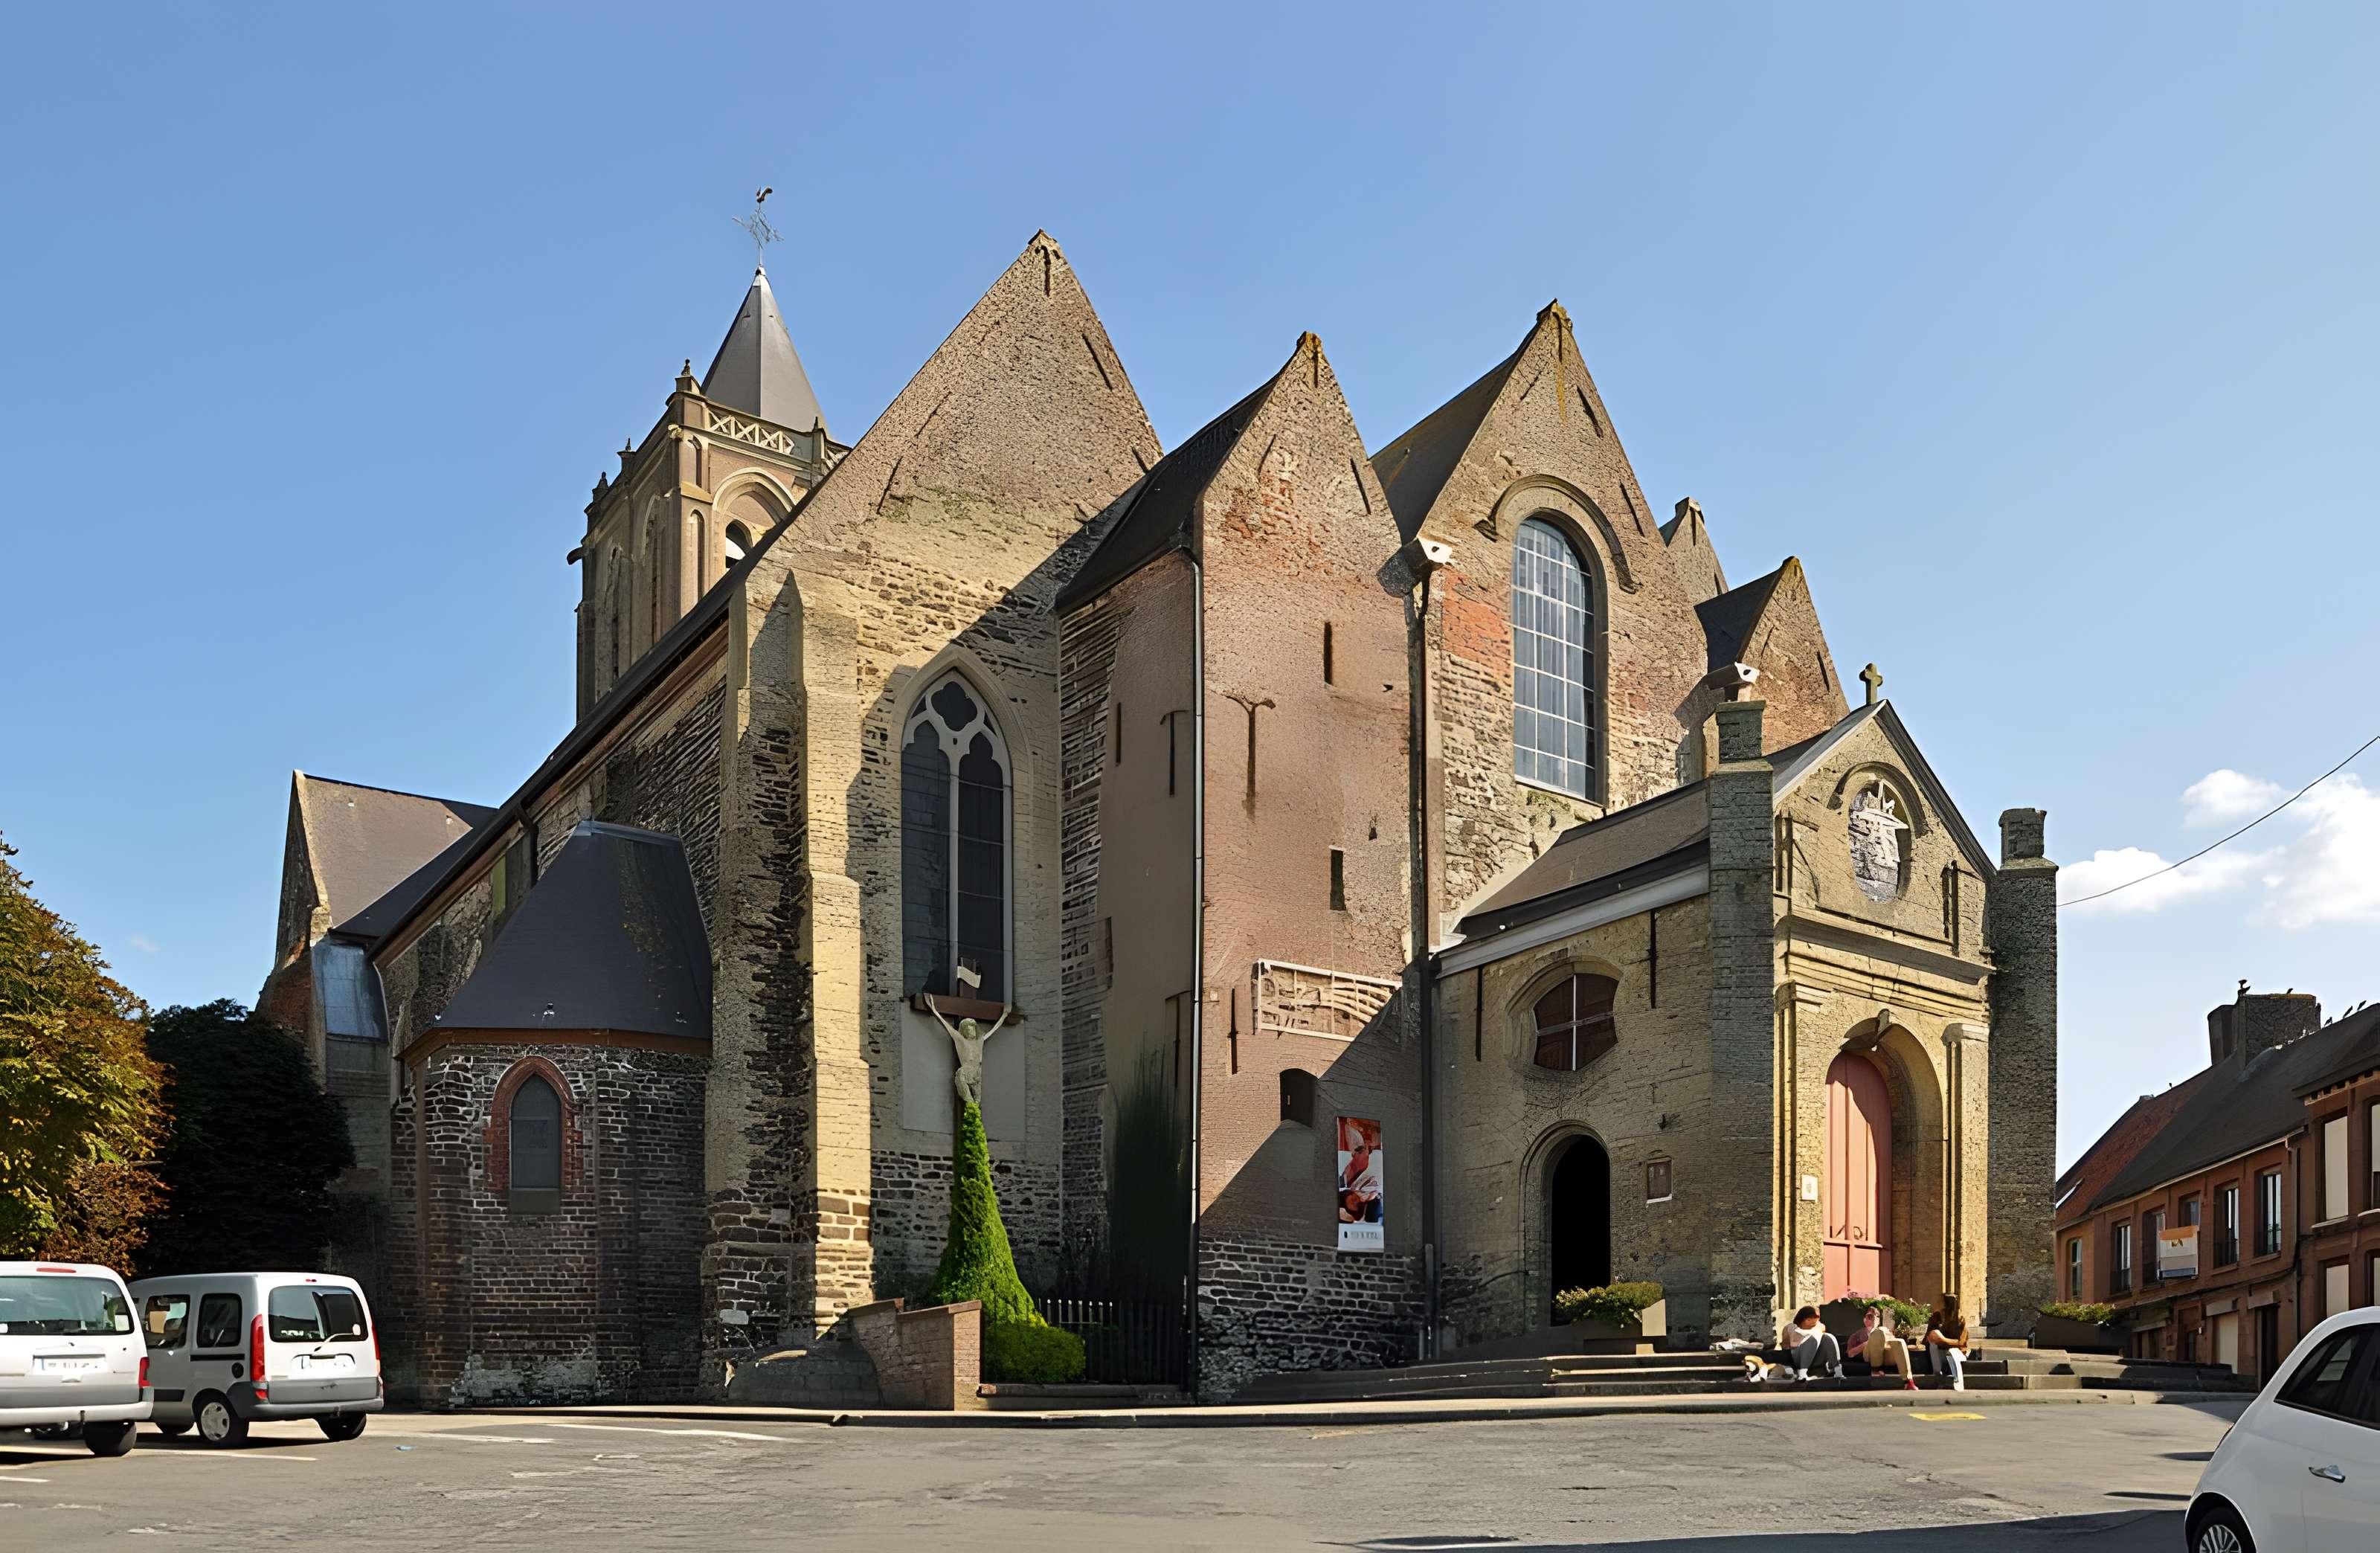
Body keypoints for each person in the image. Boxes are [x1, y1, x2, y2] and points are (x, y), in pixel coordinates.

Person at [1844, 1306, 1917, 1389]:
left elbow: (1892, 1344)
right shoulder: (1856, 1335)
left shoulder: (1884, 1330)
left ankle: (1908, 1381)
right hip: (1869, 1356)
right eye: (1870, 1316)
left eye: (1877, 1316)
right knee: (1877, 1333)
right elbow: (1850, 1354)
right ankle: (1875, 1369)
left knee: (1899, 1342)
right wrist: (1869, 1342)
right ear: (1864, 1319)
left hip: (1885, 1354)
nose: (1874, 1319)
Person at [1778, 1306, 1842, 1380]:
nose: (1814, 1320)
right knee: (1815, 1336)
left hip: (1815, 1359)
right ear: (1803, 1317)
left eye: (1817, 1317)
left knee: (1828, 1337)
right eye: (1810, 1318)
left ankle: (1837, 1369)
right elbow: (1785, 1348)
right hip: (1797, 1357)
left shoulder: (1819, 1327)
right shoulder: (1790, 1328)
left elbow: (1819, 1333)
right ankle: (1802, 1373)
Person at [1922, 1293, 1970, 1390]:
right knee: (1933, 1346)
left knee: (1952, 1352)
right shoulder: (1936, 1318)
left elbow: (1961, 1343)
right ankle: (1938, 1376)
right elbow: (1928, 1338)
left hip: (1958, 1353)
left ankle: (1957, 1380)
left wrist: (1943, 1340)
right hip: (1941, 1352)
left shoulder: (1960, 1320)